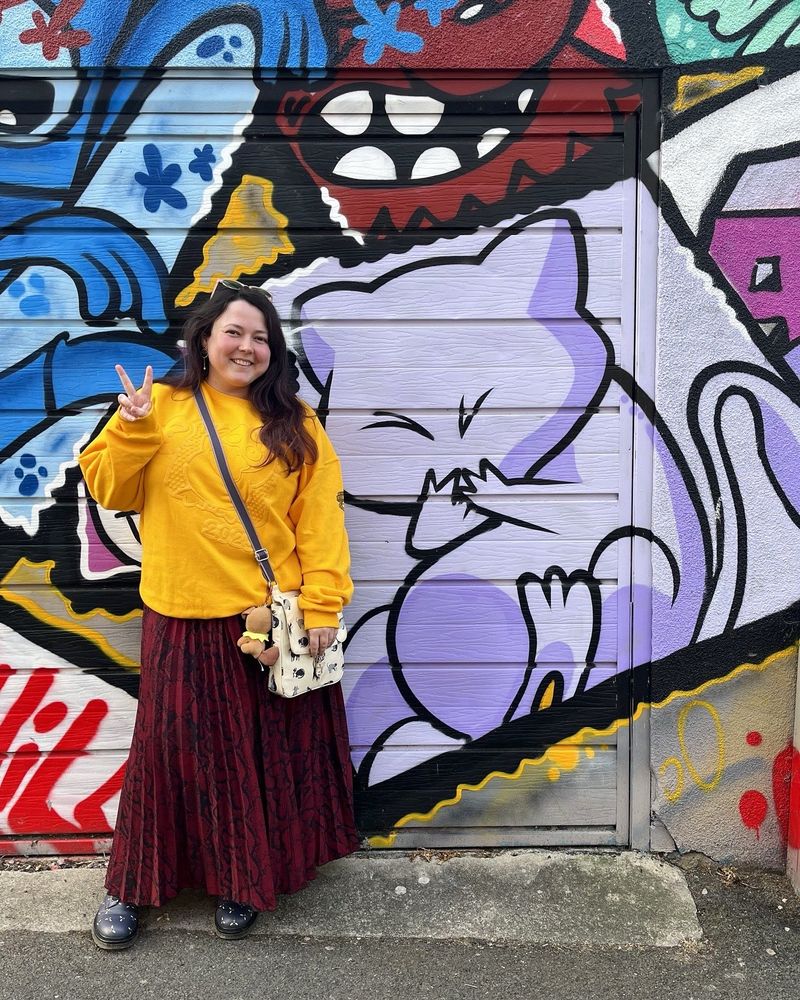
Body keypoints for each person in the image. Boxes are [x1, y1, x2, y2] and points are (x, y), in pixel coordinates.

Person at [79, 279, 360, 949]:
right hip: (180, 615)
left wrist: (322, 603)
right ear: (203, 340)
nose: (247, 346)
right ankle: (133, 887)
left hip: (267, 621)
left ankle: (244, 880)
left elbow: (320, 524)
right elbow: (109, 488)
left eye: (261, 337)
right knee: (164, 759)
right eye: (234, 331)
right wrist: (133, 426)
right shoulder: (163, 406)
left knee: (255, 759)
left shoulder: (296, 421)